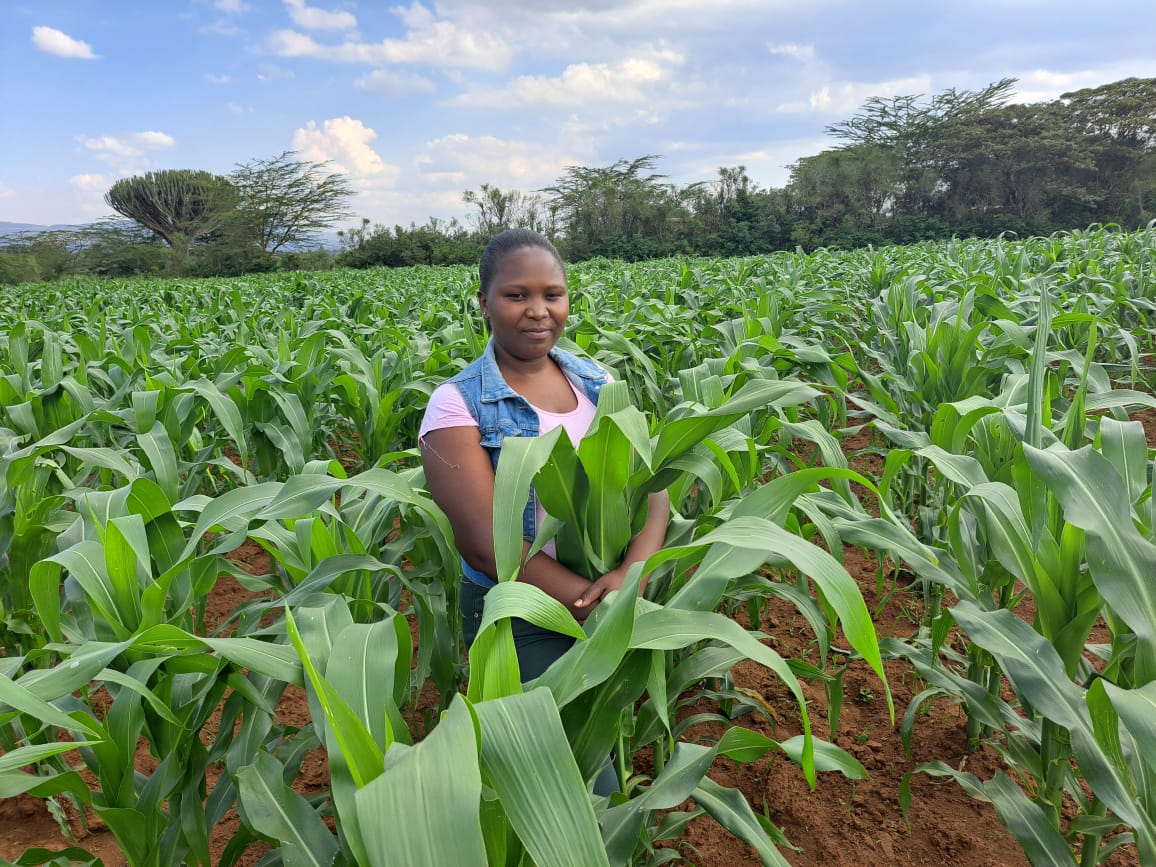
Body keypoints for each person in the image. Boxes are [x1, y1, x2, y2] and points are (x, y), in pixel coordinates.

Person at [419, 228, 670, 683]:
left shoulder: (599, 383)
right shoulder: (456, 405)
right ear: (484, 303)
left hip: (615, 595)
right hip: (522, 612)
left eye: (552, 295)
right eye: (517, 295)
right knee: (543, 728)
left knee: (609, 722)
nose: (538, 310)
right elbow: (486, 545)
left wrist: (631, 578)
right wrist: (595, 604)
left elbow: (651, 487)